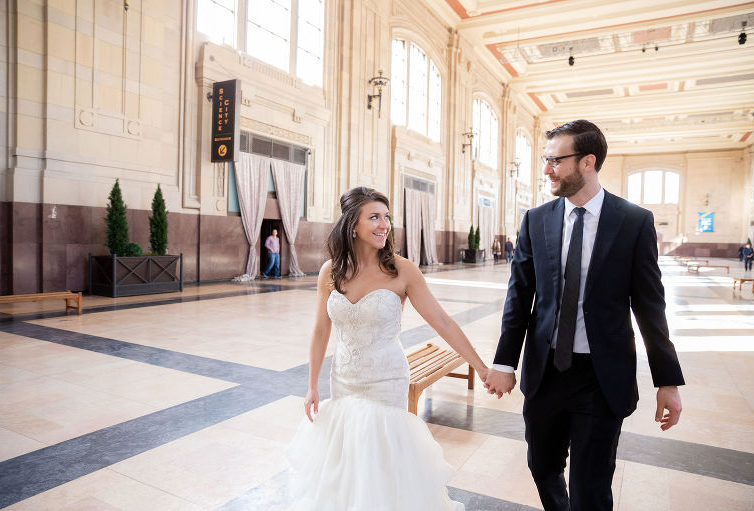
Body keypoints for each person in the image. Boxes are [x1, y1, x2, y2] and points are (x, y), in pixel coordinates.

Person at [484, 120, 684, 511]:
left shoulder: (633, 222)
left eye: (555, 161)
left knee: (591, 488)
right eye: (546, 161)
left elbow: (650, 307)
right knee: (542, 467)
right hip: (546, 373)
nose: (547, 170)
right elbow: (519, 297)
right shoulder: (536, 220)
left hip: (601, 375)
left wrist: (668, 381)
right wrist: (505, 362)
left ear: (588, 162)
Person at [287, 186, 488, 510]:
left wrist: (480, 367)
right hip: (344, 379)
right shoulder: (331, 270)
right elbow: (321, 329)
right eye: (375, 217)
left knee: (380, 457)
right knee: (348, 458)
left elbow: (443, 322)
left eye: (387, 217)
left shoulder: (402, 270)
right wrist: (311, 385)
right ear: (353, 224)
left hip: (385, 380)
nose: (384, 225)